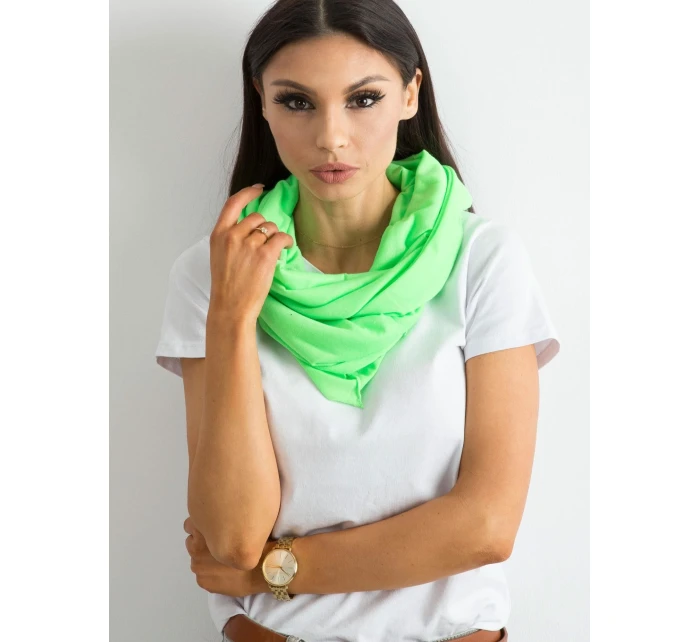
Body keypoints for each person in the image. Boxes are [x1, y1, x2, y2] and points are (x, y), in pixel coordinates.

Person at [155, 1, 561, 640]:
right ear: (262, 102)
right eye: (296, 102)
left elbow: (485, 528)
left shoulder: (482, 260)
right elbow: (232, 539)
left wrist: (277, 571)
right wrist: (232, 318)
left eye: (363, 99)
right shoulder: (211, 275)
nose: (331, 137)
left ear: (410, 94)